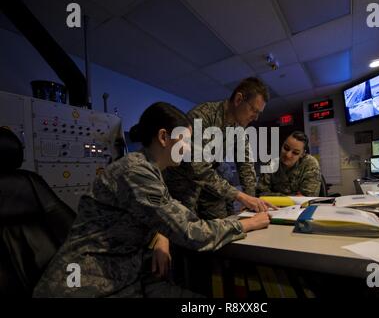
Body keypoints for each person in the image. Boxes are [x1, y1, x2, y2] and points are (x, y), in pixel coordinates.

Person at [33, 102, 270, 298]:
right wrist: (247, 223)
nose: (189, 149)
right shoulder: (135, 172)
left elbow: (166, 216)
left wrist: (161, 236)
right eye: (186, 141)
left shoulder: (150, 170)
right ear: (164, 137)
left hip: (125, 276)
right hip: (85, 287)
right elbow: (190, 231)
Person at [163, 77, 274, 220]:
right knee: (186, 232)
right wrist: (240, 196)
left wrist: (251, 199)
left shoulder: (238, 128)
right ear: (239, 99)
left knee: (222, 226)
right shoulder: (202, 116)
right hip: (183, 185)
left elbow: (246, 164)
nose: (256, 117)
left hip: (210, 185)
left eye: (259, 113)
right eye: (254, 110)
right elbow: (198, 167)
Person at [256, 131, 321, 197]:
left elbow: (308, 197)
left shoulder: (309, 164)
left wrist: (275, 196)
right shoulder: (271, 165)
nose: (288, 155)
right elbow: (261, 194)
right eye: (286, 148)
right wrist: (291, 197)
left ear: (302, 154)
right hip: (275, 206)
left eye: (295, 152)